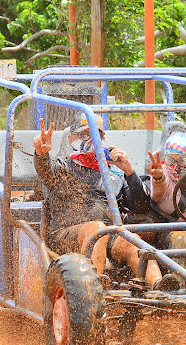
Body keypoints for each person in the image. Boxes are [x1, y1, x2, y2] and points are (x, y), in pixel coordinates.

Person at [33, 113, 162, 287]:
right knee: (97, 229)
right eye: (86, 134)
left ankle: (159, 288)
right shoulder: (62, 168)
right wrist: (41, 154)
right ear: (72, 138)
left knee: (134, 241)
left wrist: (129, 171)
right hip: (65, 235)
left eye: (98, 135)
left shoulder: (114, 174)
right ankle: (93, 292)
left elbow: (140, 206)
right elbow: (45, 170)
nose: (93, 140)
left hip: (107, 235)